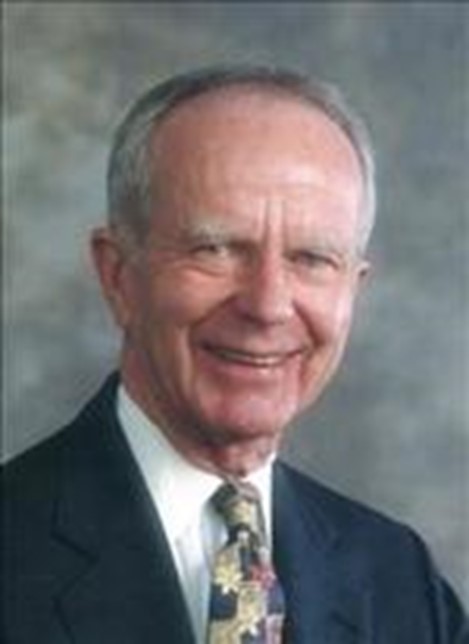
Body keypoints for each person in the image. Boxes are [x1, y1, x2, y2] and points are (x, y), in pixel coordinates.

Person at [3, 65, 467, 644]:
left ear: (353, 289)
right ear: (118, 274)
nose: (268, 306)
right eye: (216, 248)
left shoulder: (399, 579)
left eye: (312, 259)